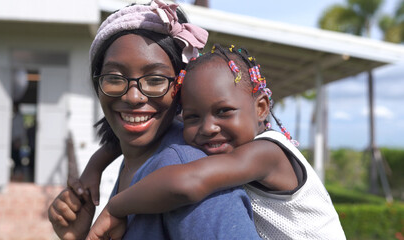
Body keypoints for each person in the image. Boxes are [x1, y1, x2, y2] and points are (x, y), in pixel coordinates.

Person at [81, 44, 346, 239]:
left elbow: (187, 183)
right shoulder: (224, 144)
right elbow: (137, 133)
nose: (208, 127)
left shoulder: (267, 153)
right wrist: (95, 166)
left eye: (224, 112)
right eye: (193, 116)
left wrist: (116, 207)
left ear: (261, 108)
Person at [48, 1, 261, 240]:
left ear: (181, 88)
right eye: (115, 78)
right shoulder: (136, 158)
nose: (133, 96)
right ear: (98, 85)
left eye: (155, 80)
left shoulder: (181, 166)